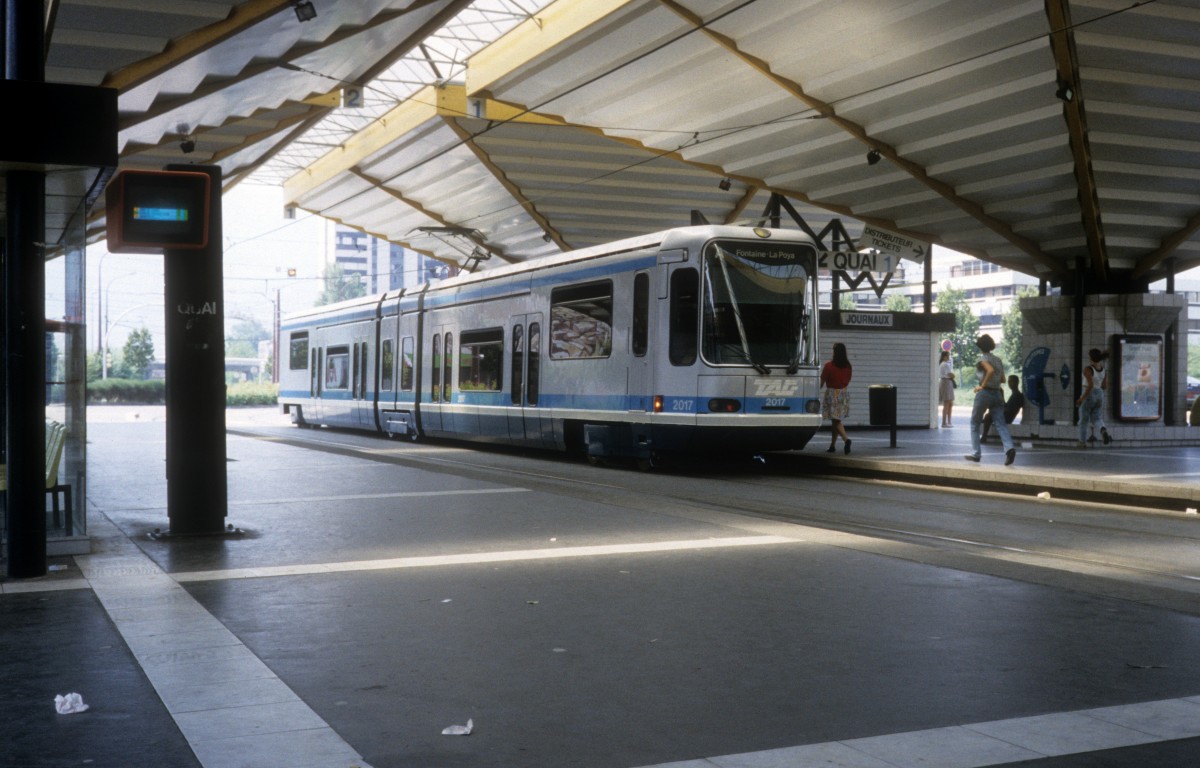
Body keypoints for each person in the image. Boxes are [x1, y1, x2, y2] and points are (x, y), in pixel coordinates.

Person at [964, 334, 1015, 465]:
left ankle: (976, 453)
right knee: (1000, 423)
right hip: (997, 394)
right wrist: (994, 381)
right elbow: (1003, 379)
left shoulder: (982, 359)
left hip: (985, 393)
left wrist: (982, 385)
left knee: (974, 423)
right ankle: (1009, 449)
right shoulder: (998, 359)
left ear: (980, 346)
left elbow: (990, 370)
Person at [820, 342, 853, 454]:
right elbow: (848, 380)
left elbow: (822, 381)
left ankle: (846, 439)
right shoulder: (848, 366)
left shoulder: (829, 366)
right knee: (836, 420)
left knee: (835, 421)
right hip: (843, 393)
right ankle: (832, 446)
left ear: (835, 352)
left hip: (832, 394)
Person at [1076, 348, 1111, 447]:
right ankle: (1102, 429)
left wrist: (1082, 398)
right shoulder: (1103, 370)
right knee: (1097, 417)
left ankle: (1082, 442)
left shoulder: (1088, 369)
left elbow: (1090, 385)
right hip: (1100, 394)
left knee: (1083, 419)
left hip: (1088, 393)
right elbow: (1105, 386)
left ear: (1090, 358)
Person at [981, 374, 1024, 443]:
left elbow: (1008, 410)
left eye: (1012, 381)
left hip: (1007, 417)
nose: (1010, 383)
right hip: (1005, 415)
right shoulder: (1014, 394)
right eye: (1009, 381)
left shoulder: (1017, 395)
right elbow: (1006, 406)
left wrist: (1001, 396)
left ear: (1017, 382)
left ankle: (984, 436)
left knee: (988, 416)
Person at [937, 350, 956, 427]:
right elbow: (951, 375)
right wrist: (953, 375)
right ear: (944, 356)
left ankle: (947, 422)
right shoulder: (945, 364)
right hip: (946, 382)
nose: (949, 357)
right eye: (948, 356)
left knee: (949, 403)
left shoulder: (942, 364)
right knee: (947, 403)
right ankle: (945, 422)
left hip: (945, 382)